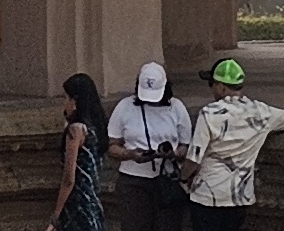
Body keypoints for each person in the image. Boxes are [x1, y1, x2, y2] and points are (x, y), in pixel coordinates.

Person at [184, 57, 284, 231]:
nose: (212, 89)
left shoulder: (209, 114)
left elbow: (194, 159)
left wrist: (183, 178)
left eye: (212, 84)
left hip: (207, 196)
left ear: (221, 87)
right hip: (239, 197)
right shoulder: (261, 112)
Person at [106, 62, 191, 231]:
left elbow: (186, 146)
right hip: (133, 180)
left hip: (167, 179)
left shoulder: (177, 108)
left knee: (168, 226)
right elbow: (112, 146)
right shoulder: (125, 107)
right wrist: (130, 154)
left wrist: (173, 154)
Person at [47, 71, 109, 231]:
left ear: (74, 101)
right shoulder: (97, 128)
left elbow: (69, 178)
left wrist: (56, 215)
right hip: (93, 201)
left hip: (77, 204)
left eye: (66, 98)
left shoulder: (76, 131)